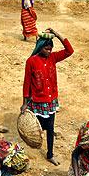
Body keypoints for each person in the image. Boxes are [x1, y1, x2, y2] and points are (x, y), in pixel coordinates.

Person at [21, 28, 74, 166]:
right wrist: (25, 102)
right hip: (37, 102)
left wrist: (57, 34)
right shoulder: (31, 61)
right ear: (40, 47)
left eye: (51, 49)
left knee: (50, 128)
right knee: (34, 129)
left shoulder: (53, 58)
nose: (49, 51)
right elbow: (27, 83)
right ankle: (31, 151)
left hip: (50, 101)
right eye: (46, 48)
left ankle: (50, 154)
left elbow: (69, 50)